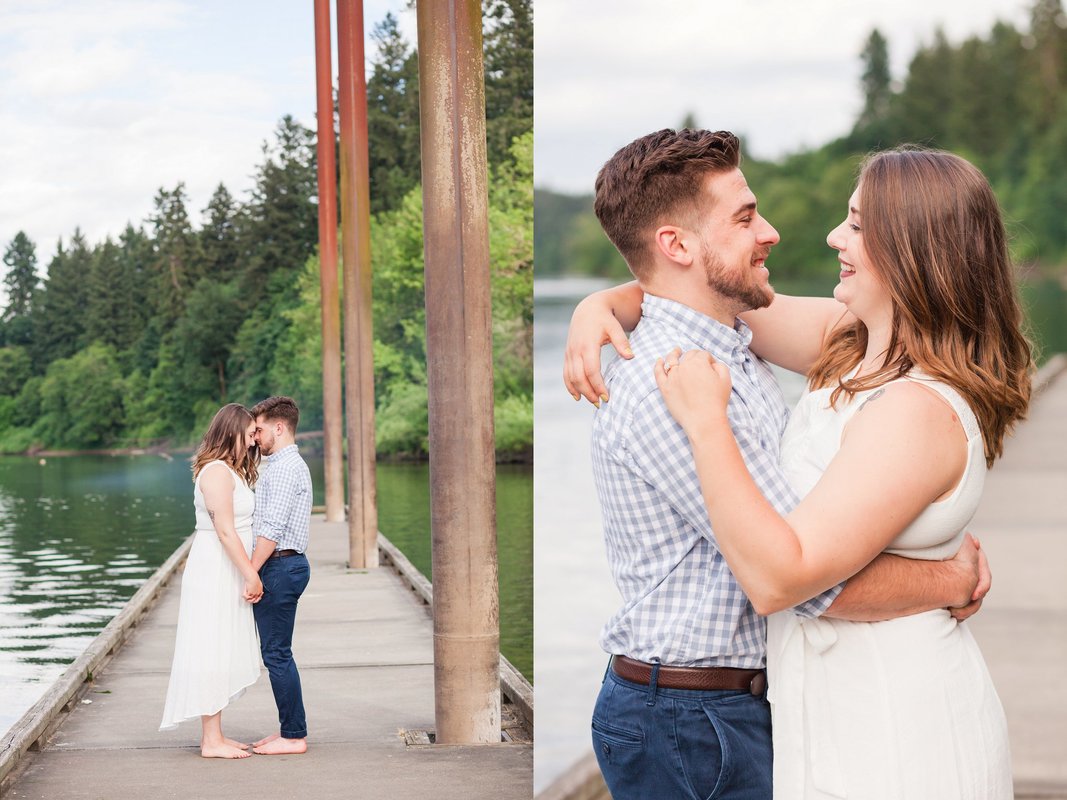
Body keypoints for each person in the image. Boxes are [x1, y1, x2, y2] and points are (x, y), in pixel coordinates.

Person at [563, 129, 997, 800]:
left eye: (854, 224)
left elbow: (792, 563)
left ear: (912, 248)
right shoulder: (705, 372)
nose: (814, 236)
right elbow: (786, 578)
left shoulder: (790, 354)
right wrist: (945, 577)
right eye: (744, 217)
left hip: (853, 704)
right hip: (705, 713)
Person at [159, 403, 263, 759]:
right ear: (231, 431)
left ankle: (216, 734)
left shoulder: (229, 471)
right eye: (250, 433)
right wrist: (251, 573)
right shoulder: (217, 472)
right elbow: (223, 530)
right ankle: (210, 740)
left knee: (223, 645)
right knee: (211, 645)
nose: (254, 441)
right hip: (217, 568)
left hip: (227, 565)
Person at [247, 395, 313, 756]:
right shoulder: (280, 465)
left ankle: (293, 736)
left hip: (280, 565)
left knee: (276, 654)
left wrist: (249, 573)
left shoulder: (286, 468)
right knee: (278, 652)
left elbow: (270, 530)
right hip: (283, 564)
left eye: (258, 429)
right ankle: (289, 729)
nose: (255, 437)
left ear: (279, 427)